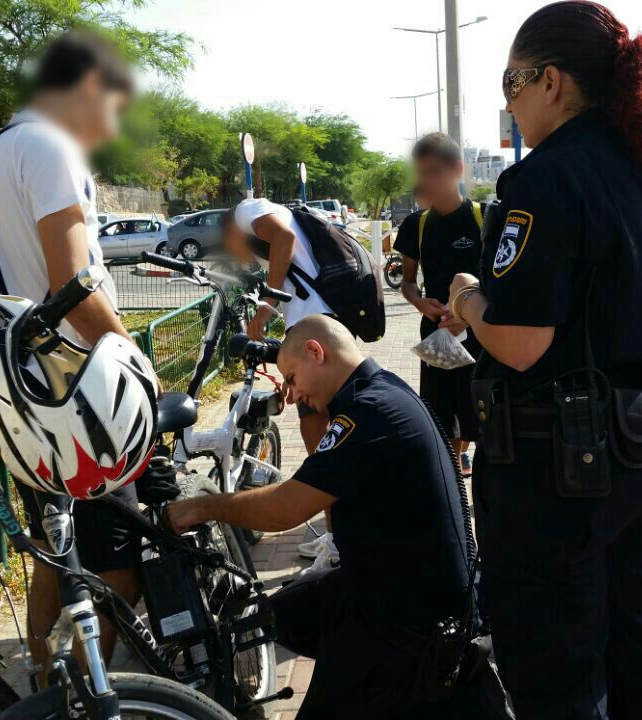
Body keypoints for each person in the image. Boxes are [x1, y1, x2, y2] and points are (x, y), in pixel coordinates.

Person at [443, 2, 642, 717]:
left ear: (550, 81)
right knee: (638, 648)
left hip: (559, 476)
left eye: (511, 84)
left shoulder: (547, 182)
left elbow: (521, 339)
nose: (511, 104)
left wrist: (468, 298)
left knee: (558, 672)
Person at [163, 315, 471, 719]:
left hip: (404, 621)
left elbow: (286, 508)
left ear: (315, 352)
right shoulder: (378, 392)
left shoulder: (368, 414)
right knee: (272, 618)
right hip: (385, 583)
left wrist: (204, 506)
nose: (290, 395)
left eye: (291, 378)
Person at [0, 30, 143, 682]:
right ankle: (85, 694)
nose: (112, 125)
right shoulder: (50, 148)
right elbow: (74, 288)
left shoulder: (5, 147)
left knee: (55, 545)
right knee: (120, 572)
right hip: (78, 394)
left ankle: (45, 671)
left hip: (28, 388)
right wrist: (136, 362)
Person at [221, 197, 342, 573]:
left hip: (316, 322)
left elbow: (284, 238)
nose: (238, 257)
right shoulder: (263, 211)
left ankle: (340, 542)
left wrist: (268, 304)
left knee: (319, 436)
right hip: (322, 321)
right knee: (326, 430)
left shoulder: (246, 212)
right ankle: (340, 532)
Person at [395, 134, 484, 474]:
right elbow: (406, 282)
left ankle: (462, 461)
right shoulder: (416, 225)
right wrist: (420, 303)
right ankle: (451, 466)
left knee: (477, 409)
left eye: (434, 171)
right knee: (439, 409)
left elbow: (501, 282)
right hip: (437, 333)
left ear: (457, 170)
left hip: (480, 333)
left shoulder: (484, 218)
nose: (426, 181)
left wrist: (469, 315)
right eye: (420, 173)